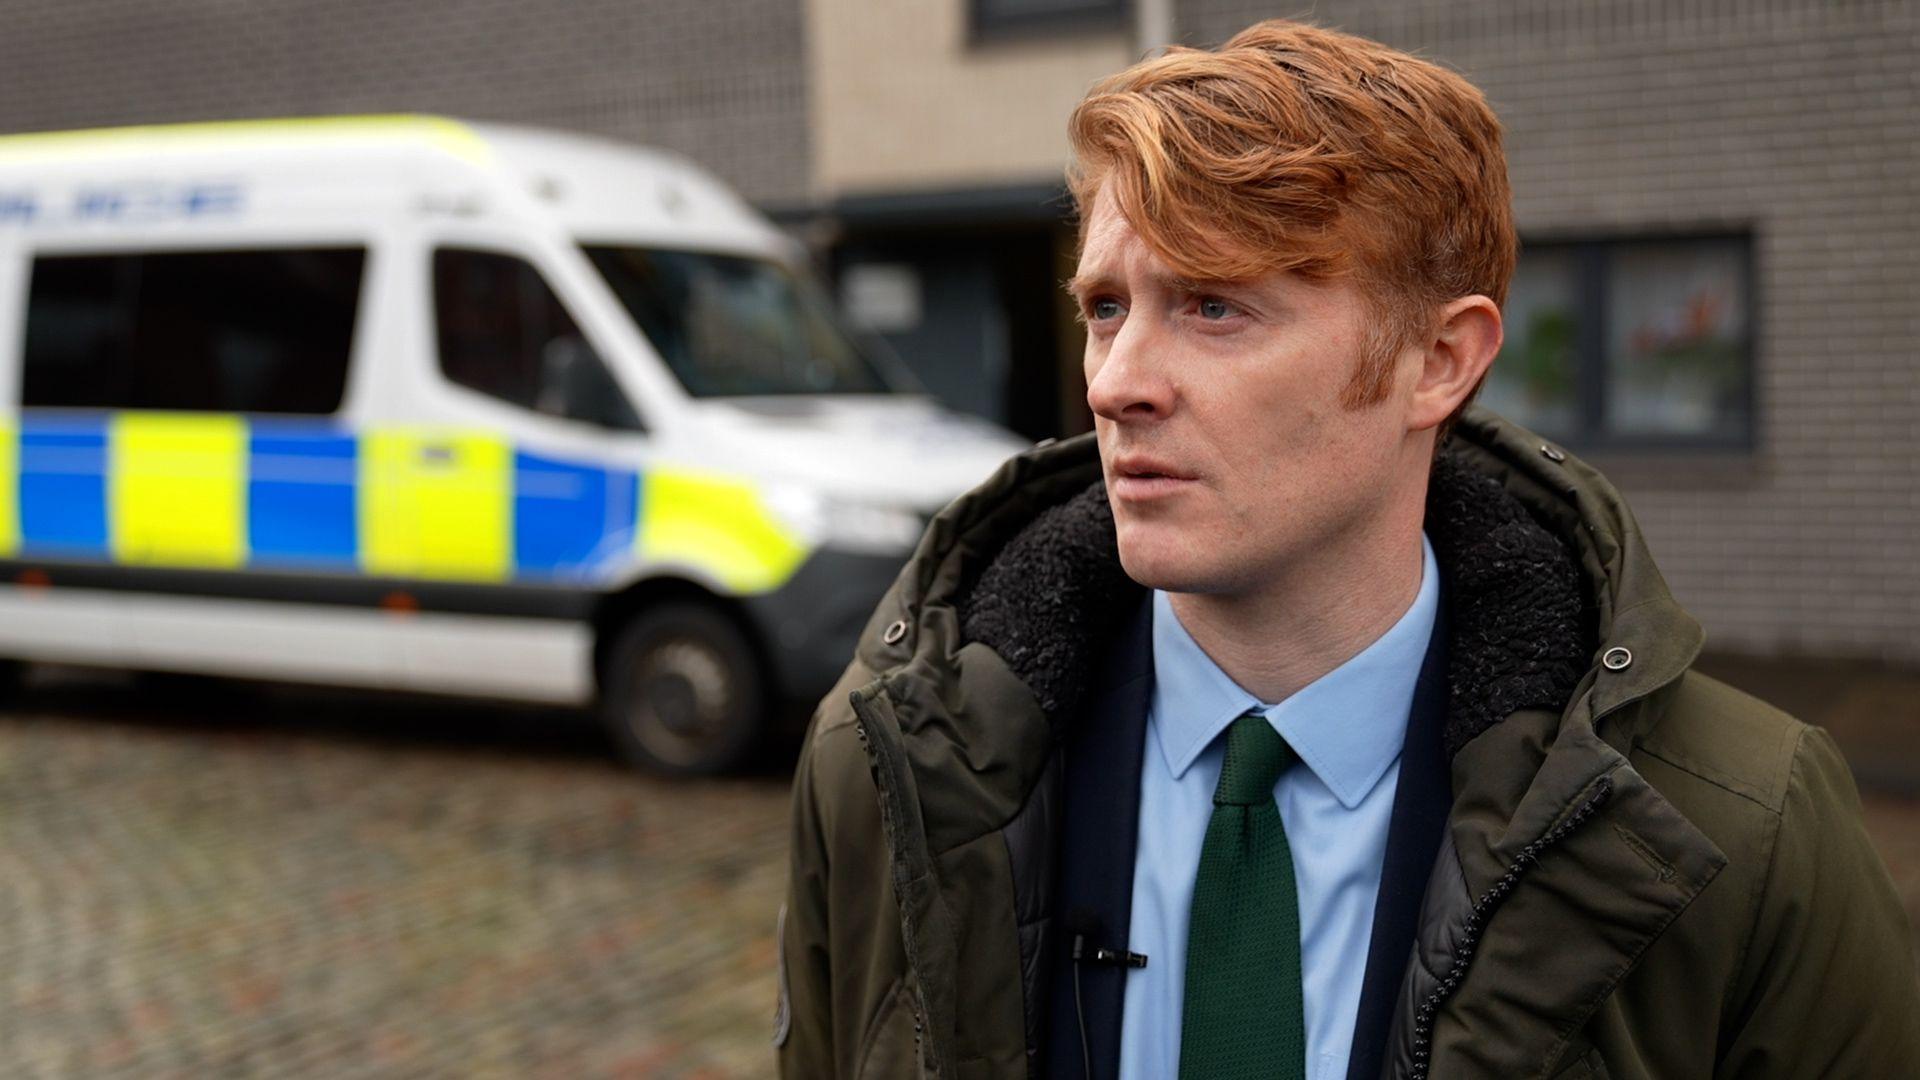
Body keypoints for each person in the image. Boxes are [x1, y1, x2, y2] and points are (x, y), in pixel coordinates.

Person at [775, 18, 1920, 1079]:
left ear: (1437, 361)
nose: (1116, 385)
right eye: (1108, 307)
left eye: (1216, 306)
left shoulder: (1740, 830)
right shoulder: (883, 769)